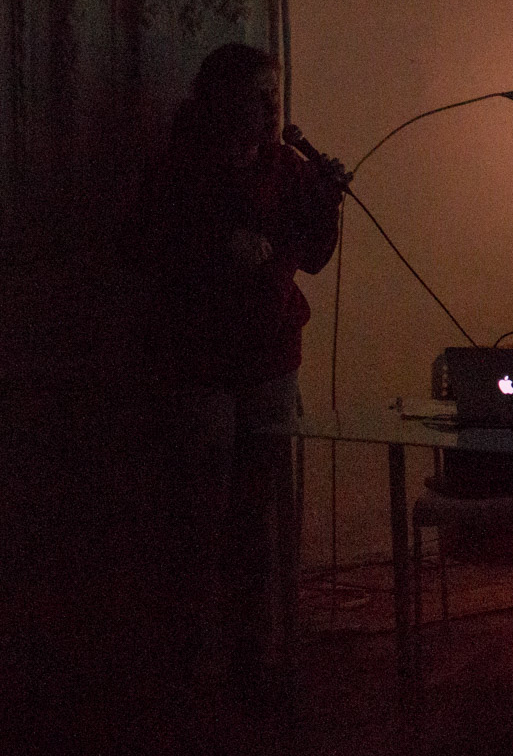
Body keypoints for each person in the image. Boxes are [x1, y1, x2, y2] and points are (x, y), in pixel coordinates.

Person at [131, 42, 345, 692]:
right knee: (199, 512)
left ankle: (254, 655)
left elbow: (313, 257)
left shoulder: (287, 168)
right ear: (223, 100)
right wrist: (217, 244)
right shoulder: (180, 166)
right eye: (259, 96)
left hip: (269, 358)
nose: (273, 108)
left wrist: (327, 202)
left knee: (258, 513)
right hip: (198, 361)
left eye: (275, 95)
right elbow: (146, 248)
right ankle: (189, 658)